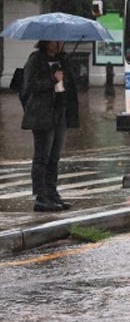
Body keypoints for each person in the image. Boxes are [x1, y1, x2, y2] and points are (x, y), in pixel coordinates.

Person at [21, 39, 80, 212]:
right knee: (42, 156)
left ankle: (52, 192)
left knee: (54, 157)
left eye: (61, 41)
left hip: (60, 113)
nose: (59, 44)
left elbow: (70, 83)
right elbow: (30, 85)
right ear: (46, 42)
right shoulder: (36, 59)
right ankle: (41, 197)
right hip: (42, 115)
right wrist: (52, 79)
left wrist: (66, 67)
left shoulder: (62, 59)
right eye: (55, 41)